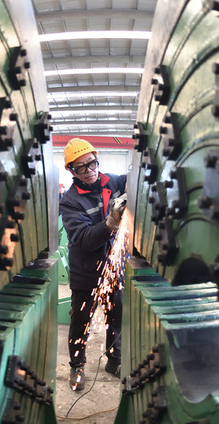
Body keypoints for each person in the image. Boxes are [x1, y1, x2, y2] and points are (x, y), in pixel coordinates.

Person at [58, 138, 127, 391]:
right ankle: (77, 366)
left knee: (116, 318)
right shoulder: (70, 201)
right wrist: (111, 223)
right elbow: (84, 239)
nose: (89, 170)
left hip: (114, 267)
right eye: (81, 167)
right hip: (86, 272)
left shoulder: (114, 182)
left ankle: (115, 360)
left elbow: (138, 179)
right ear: (72, 171)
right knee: (81, 322)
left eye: (92, 163)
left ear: (97, 160)